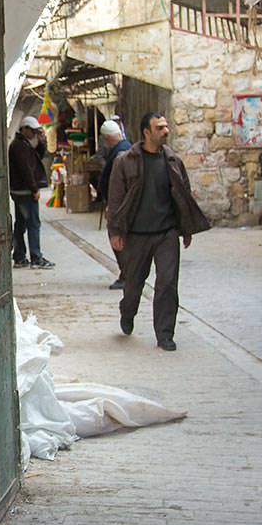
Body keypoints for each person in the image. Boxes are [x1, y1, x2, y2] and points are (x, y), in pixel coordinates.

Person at [105, 112, 211, 351]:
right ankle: (127, 311)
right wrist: (115, 232)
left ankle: (165, 334)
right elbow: (115, 199)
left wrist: (187, 228)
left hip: (166, 233)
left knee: (167, 282)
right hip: (136, 235)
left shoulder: (172, 160)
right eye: (160, 127)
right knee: (133, 284)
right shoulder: (125, 161)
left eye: (166, 126)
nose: (166, 131)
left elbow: (183, 196)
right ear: (147, 132)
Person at [8, 116, 54, 269]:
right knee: (33, 224)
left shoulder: (23, 144)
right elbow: (26, 170)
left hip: (20, 191)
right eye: (32, 131)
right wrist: (34, 189)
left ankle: (20, 256)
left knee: (21, 224)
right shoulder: (19, 146)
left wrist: (42, 141)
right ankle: (36, 257)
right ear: (24, 129)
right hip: (24, 191)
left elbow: (37, 157)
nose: (34, 134)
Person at [96, 119, 131, 289]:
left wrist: (114, 204)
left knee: (118, 239)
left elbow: (120, 183)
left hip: (120, 205)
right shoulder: (123, 149)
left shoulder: (121, 153)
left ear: (108, 138)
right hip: (121, 204)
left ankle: (127, 275)